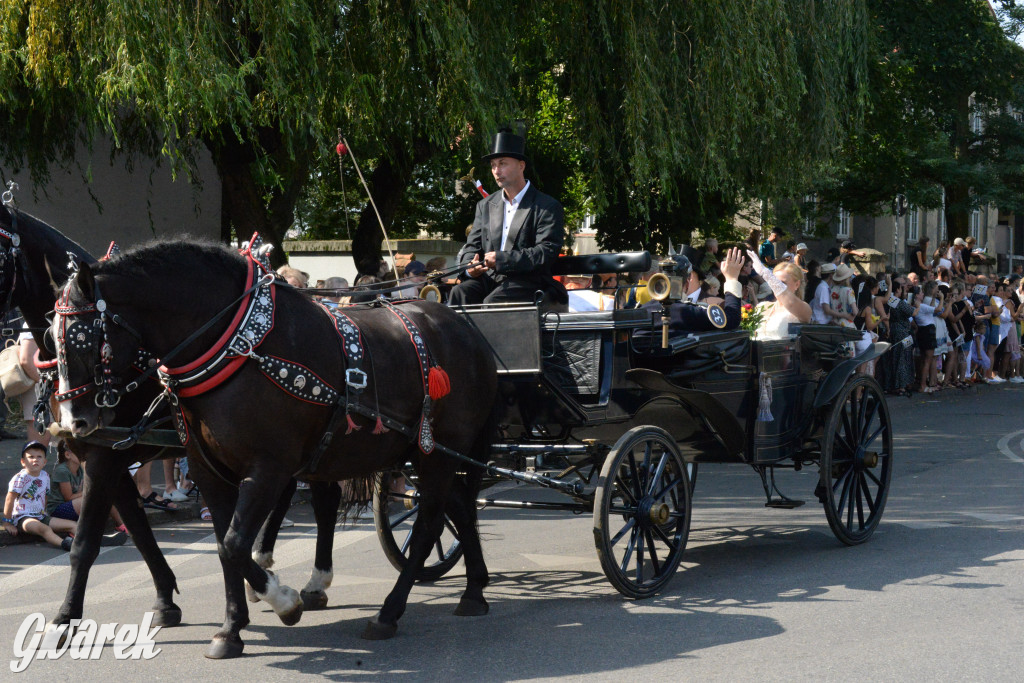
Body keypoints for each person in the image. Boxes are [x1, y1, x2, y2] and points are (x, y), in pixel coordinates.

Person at [449, 129, 565, 306]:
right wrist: (470, 268)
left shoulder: (546, 206)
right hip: (489, 279)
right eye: (493, 165)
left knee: (493, 302)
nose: (496, 170)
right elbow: (472, 246)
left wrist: (503, 259)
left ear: (521, 165)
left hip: (528, 281)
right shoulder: (486, 205)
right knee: (460, 293)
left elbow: (546, 252)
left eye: (502, 164)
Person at [642, 247, 745, 334]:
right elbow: (731, 320)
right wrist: (732, 279)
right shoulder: (688, 312)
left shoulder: (641, 311)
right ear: (687, 282)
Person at [3, 442, 76, 551]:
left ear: (44, 462)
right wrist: (7, 522)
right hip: (23, 518)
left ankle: (83, 542)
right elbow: (10, 499)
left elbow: (45, 496)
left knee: (73, 524)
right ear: (23, 462)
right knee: (44, 529)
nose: (35, 460)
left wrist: (44, 513)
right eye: (31, 457)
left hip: (41, 516)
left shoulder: (45, 476)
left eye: (39, 457)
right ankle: (66, 544)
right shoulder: (20, 478)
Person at [748, 256, 812, 340]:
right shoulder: (762, 306)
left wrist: (766, 275)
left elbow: (791, 303)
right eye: (774, 281)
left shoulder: (804, 309)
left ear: (797, 284)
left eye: (782, 283)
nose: (775, 286)